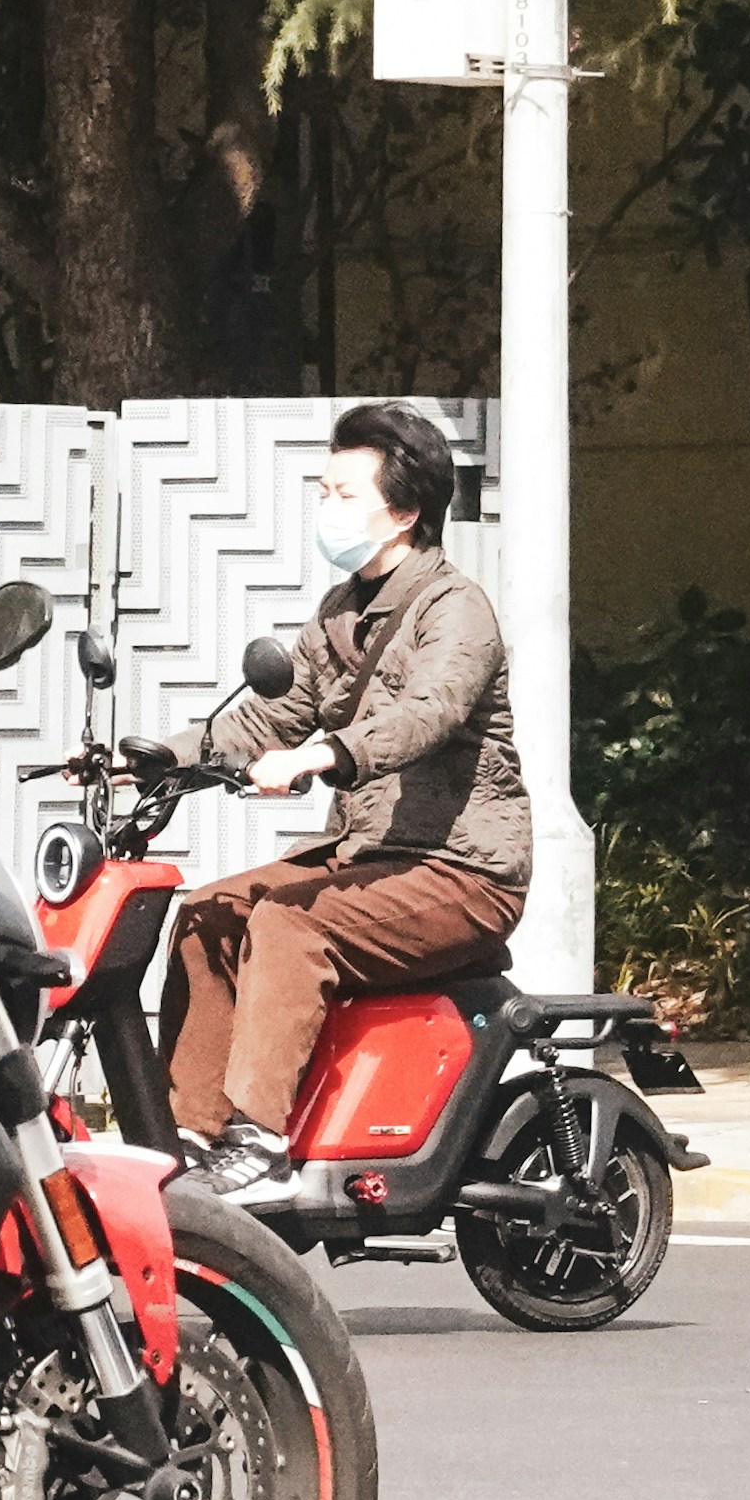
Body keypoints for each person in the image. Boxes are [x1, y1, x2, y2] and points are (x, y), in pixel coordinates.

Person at [168, 401, 534, 1204]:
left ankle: (260, 1144)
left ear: (404, 511)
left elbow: (426, 713)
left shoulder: (455, 609)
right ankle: (189, 1138)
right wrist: (157, 756)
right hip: (370, 857)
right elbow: (269, 714)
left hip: (461, 869)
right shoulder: (341, 612)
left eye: (341, 492)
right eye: (322, 490)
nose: (323, 507)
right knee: (208, 911)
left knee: (289, 925)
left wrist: (325, 754)